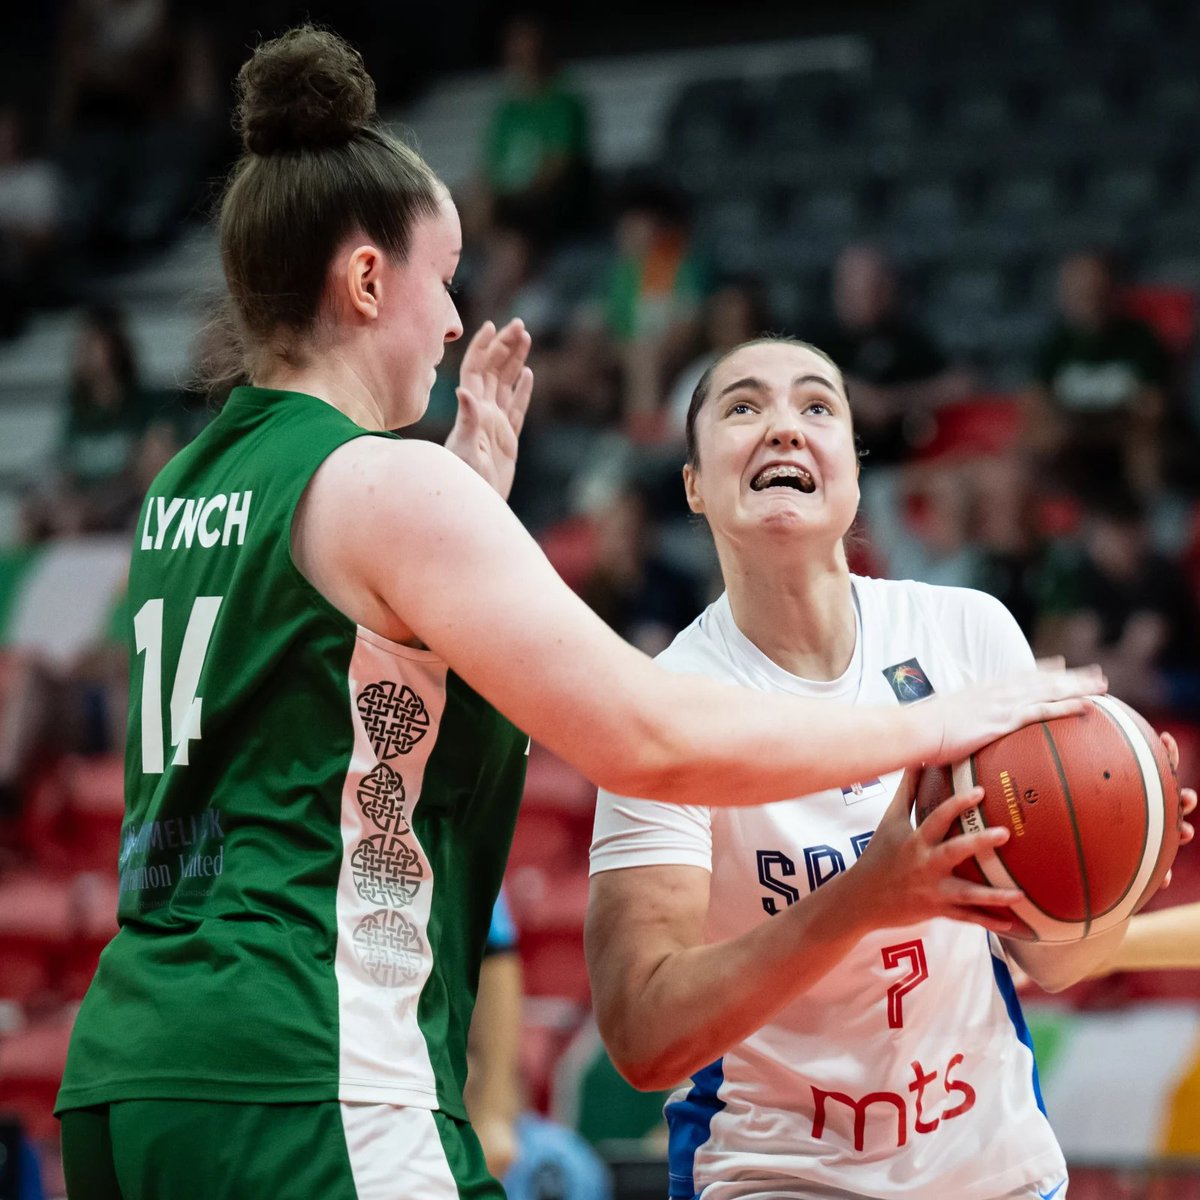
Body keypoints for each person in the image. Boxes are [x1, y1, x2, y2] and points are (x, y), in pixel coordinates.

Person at [53, 30, 1102, 1200]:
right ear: (364, 283)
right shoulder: (379, 484)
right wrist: (951, 723)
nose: (453, 320)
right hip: (306, 1055)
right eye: (440, 276)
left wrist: (466, 510)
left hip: (131, 1067)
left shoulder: (183, 487)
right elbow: (645, 738)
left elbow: (312, 721)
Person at [586, 336, 1197, 1200]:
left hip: (995, 1167)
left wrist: (1120, 860)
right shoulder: (667, 706)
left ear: (854, 474)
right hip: (778, 1175)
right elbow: (644, 1037)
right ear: (692, 483)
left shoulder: (968, 632)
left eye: (817, 406)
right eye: (744, 407)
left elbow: (1052, 961)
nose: (784, 428)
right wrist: (864, 900)